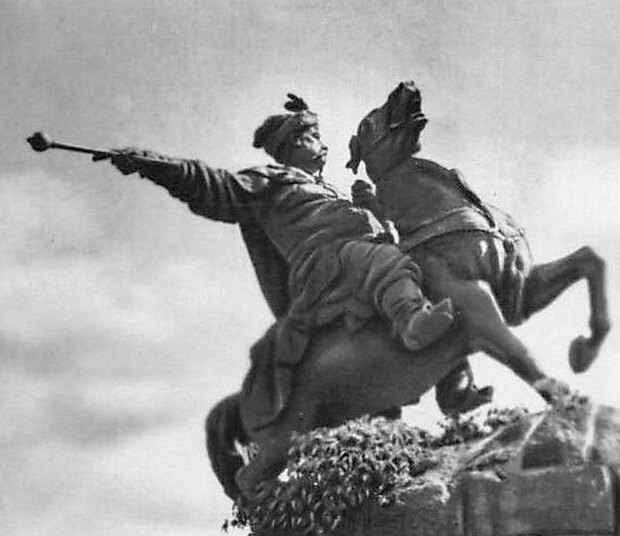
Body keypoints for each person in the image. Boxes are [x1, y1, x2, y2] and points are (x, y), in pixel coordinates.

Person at [105, 95, 455, 432]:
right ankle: (411, 319)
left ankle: (453, 386)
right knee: (386, 260)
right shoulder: (270, 182)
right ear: (294, 144)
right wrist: (152, 165)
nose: (323, 143)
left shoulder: (327, 190)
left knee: (431, 272)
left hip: (358, 264)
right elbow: (213, 185)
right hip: (325, 271)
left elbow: (379, 231)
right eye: (314, 136)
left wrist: (374, 209)